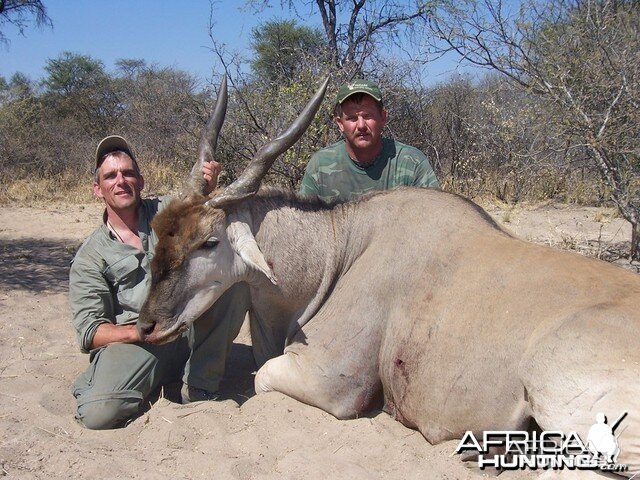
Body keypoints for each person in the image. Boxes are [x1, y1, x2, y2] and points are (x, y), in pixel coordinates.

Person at [69, 135, 250, 430]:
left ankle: (200, 387)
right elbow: (90, 332)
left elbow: (202, 212)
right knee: (97, 414)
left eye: (128, 173)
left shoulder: (168, 213)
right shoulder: (90, 256)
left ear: (140, 181)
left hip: (186, 326)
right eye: (110, 176)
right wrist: (139, 333)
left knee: (236, 278)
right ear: (97, 189)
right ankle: (112, 378)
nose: (121, 181)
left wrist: (209, 186)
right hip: (142, 342)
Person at [300, 79, 439, 203]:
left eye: (368, 116)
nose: (361, 125)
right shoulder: (320, 164)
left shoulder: (412, 162)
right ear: (340, 123)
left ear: (383, 117)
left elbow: (435, 216)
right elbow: (304, 222)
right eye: (352, 118)